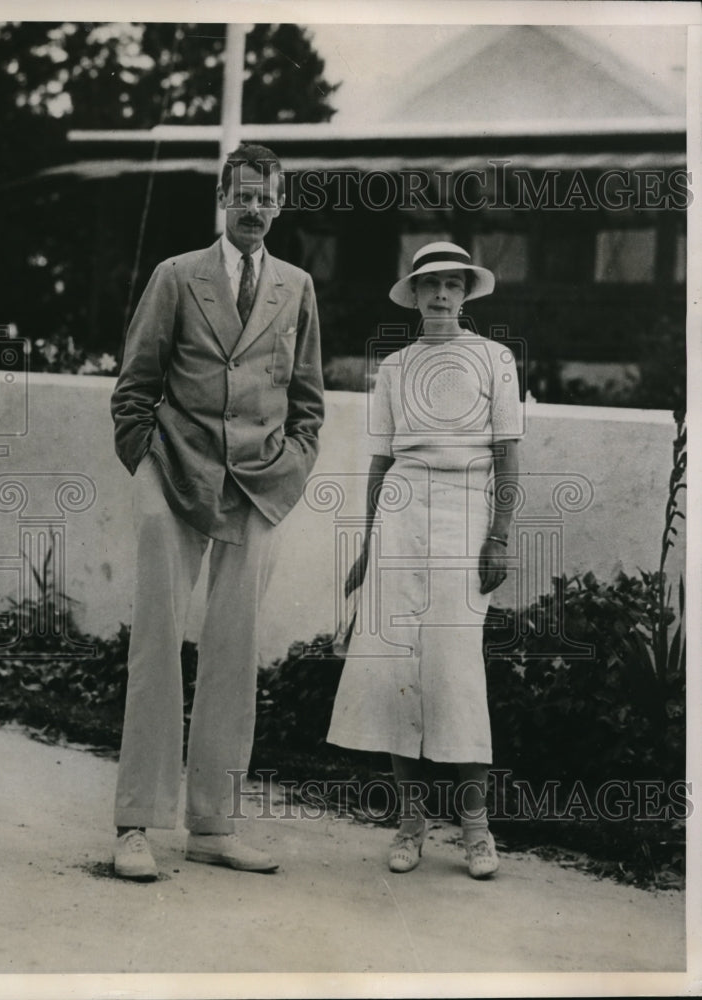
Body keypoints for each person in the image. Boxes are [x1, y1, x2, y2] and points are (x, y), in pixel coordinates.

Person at [110, 143, 324, 880]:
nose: (255, 210)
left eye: (267, 199)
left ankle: (213, 824)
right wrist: (147, 461)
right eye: (244, 197)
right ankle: (136, 822)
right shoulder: (177, 276)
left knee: (234, 656)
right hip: (173, 475)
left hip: (258, 488)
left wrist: (291, 469)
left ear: (281, 205)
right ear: (223, 200)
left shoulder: (296, 286)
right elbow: (134, 387)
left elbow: (308, 401)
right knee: (158, 644)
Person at [327, 241, 522, 879]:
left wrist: (499, 534)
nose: (441, 296)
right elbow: (381, 463)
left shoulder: (495, 358)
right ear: (412, 295)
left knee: (457, 668)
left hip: (466, 516)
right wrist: (365, 545)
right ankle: (410, 822)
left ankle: (476, 829)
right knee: (394, 668)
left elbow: (506, 455)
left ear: (467, 295)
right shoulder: (394, 367)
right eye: (429, 285)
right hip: (400, 517)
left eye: (452, 285)